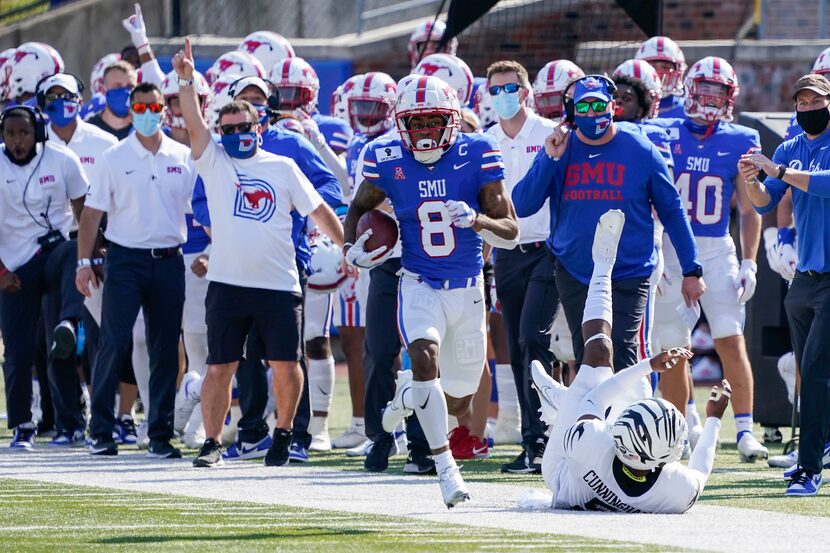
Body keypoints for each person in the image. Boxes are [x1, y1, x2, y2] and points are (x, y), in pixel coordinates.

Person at [345, 75, 519, 507]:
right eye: (415, 123)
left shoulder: (477, 152)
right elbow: (358, 208)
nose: (423, 131)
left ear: (452, 120)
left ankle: (407, 394)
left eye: (432, 121)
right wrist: (352, 251)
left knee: (459, 400)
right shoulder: (384, 156)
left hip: (468, 288)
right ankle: (446, 469)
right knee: (424, 359)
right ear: (401, 124)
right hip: (418, 281)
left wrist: (478, 220)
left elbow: (512, 231)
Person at [172, 38, 344, 468]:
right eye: (226, 130)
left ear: (260, 128)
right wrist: (186, 79)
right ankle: (213, 442)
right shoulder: (214, 162)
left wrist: (350, 249)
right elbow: (193, 121)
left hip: (278, 282)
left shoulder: (283, 165)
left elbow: (320, 209)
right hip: (228, 282)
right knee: (219, 368)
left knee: (286, 365)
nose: (234, 136)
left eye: (241, 129)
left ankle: (284, 433)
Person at [529, 209, 731, 513]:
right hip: (610, 455)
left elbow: (595, 399)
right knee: (640, 395)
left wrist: (650, 365)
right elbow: (699, 474)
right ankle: (563, 399)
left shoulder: (592, 443)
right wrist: (713, 417)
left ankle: (602, 263)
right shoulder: (675, 492)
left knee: (598, 358)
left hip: (562, 468)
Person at [512, 74, 704, 374]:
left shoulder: (641, 150)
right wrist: (549, 158)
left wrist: (692, 269)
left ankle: (625, 419)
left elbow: (672, 210)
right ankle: (595, 421)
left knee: (623, 353)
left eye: (598, 105)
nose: (591, 114)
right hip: (576, 270)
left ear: (612, 106)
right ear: (573, 111)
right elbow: (523, 205)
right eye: (584, 107)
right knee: (588, 354)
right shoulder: (560, 148)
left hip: (629, 269)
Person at [648, 57, 768, 462]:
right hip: (671, 246)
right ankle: (684, 420)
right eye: (706, 89)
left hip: (717, 248)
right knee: (672, 342)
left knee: (730, 339)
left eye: (720, 92)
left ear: (730, 97)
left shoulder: (741, 139)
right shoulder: (663, 130)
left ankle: (746, 430)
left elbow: (750, 209)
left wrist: (750, 261)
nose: (712, 99)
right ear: (688, 88)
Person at [76, 81, 196, 458]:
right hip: (125, 260)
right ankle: (100, 430)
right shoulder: (114, 157)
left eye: (153, 107)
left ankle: (159, 434)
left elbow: (200, 211)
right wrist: (84, 263)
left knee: (164, 347)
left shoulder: (183, 155)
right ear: (131, 110)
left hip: (169, 260)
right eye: (140, 108)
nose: (147, 114)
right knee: (114, 342)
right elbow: (91, 215)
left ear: (164, 109)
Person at [740, 73, 830, 496]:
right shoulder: (791, 147)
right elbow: (764, 203)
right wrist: (752, 180)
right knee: (810, 374)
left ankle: (809, 467)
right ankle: (814, 454)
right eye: (803, 103)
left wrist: (777, 170)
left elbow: (826, 185)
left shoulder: (796, 156)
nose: (809, 109)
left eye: (817, 102)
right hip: (805, 279)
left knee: (813, 371)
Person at [485, 60, 559, 474]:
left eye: (508, 88)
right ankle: (534, 441)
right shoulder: (485, 140)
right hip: (506, 253)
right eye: (494, 90)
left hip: (548, 250)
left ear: (526, 91)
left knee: (534, 338)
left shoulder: (549, 134)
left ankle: (548, 437)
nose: (501, 96)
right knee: (516, 346)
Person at [0, 105, 88, 449]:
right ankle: (23, 424)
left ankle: (68, 321)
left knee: (72, 252)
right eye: (10, 133)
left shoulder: (62, 159)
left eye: (24, 132)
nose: (17, 140)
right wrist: (2, 273)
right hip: (13, 269)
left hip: (53, 256)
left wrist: (90, 256)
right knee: (18, 352)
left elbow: (85, 211)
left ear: (37, 132)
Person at [634, 36, 686, 118]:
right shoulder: (630, 108)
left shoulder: (688, 111)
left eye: (665, 67)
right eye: (652, 67)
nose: (659, 73)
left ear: (679, 70)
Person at [86, 61, 137, 140]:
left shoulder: (143, 133)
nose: (125, 92)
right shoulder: (87, 132)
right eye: (118, 86)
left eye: (130, 87)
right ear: (103, 89)